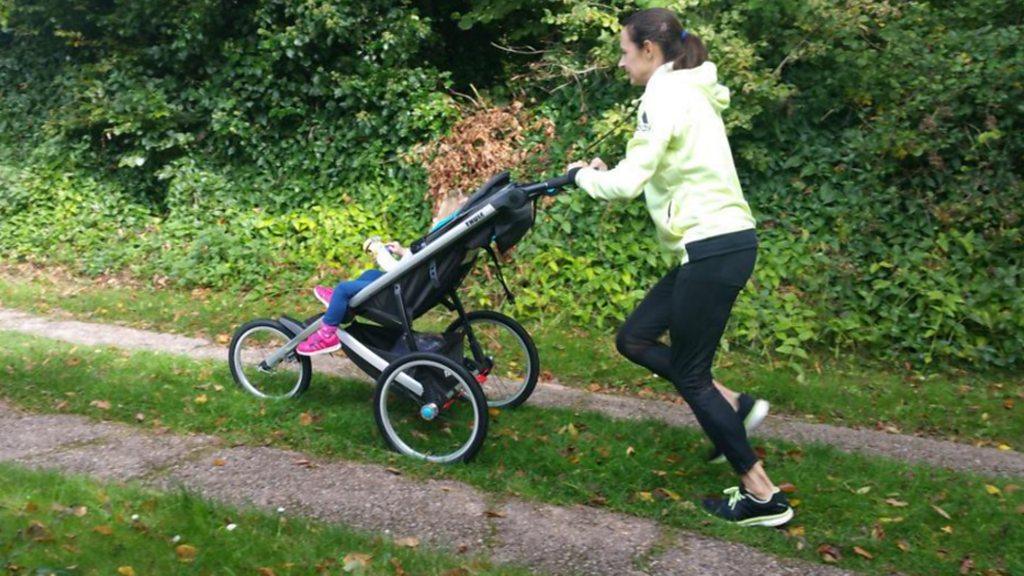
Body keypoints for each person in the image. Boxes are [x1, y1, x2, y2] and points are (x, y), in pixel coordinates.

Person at [567, 8, 792, 527]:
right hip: (713, 246)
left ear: (649, 50)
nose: (622, 63)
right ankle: (733, 405)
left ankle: (761, 494)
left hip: (713, 246)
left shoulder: (663, 95)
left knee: (692, 377)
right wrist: (602, 171)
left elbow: (625, 187)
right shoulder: (688, 90)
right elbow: (647, 168)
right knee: (635, 338)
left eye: (625, 52)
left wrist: (582, 179)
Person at [296, 237, 410, 356]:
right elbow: (412, 260)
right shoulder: (429, 247)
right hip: (403, 285)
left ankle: (327, 336)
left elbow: (396, 269)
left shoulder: (430, 246)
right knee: (371, 274)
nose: (432, 221)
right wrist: (402, 251)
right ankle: (341, 306)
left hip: (398, 291)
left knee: (342, 289)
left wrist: (380, 252)